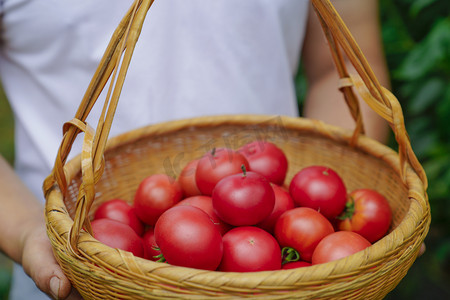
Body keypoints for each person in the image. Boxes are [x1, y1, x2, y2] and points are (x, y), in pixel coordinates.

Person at [0, 0, 390, 299]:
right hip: (72, 250)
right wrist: (25, 230)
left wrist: (344, 225)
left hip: (288, 278)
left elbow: (344, 71)